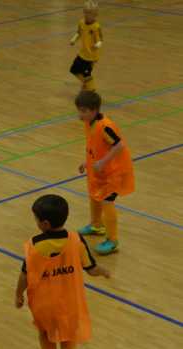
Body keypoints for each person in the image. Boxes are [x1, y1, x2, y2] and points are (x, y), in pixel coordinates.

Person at [15, 194, 110, 349]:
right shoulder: (76, 240)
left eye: (36, 219)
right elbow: (91, 269)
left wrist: (18, 294)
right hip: (69, 302)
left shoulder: (34, 245)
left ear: (45, 224)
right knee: (68, 336)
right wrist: (104, 272)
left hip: (43, 304)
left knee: (45, 334)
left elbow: (24, 275)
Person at [75, 90, 134, 255]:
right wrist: (87, 162)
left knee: (107, 202)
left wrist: (102, 162)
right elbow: (96, 147)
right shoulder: (90, 123)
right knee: (95, 195)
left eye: (83, 111)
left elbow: (119, 145)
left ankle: (113, 240)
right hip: (100, 170)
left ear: (94, 110)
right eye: (79, 110)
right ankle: (96, 225)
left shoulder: (105, 126)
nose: (80, 114)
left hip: (115, 171)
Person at [69, 1, 103, 91]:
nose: (87, 15)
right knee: (73, 70)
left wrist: (97, 45)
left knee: (87, 74)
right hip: (82, 54)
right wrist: (74, 39)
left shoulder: (96, 27)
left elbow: (100, 40)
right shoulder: (81, 22)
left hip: (91, 56)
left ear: (95, 15)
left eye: (90, 13)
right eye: (86, 12)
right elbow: (78, 32)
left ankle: (92, 89)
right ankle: (86, 84)